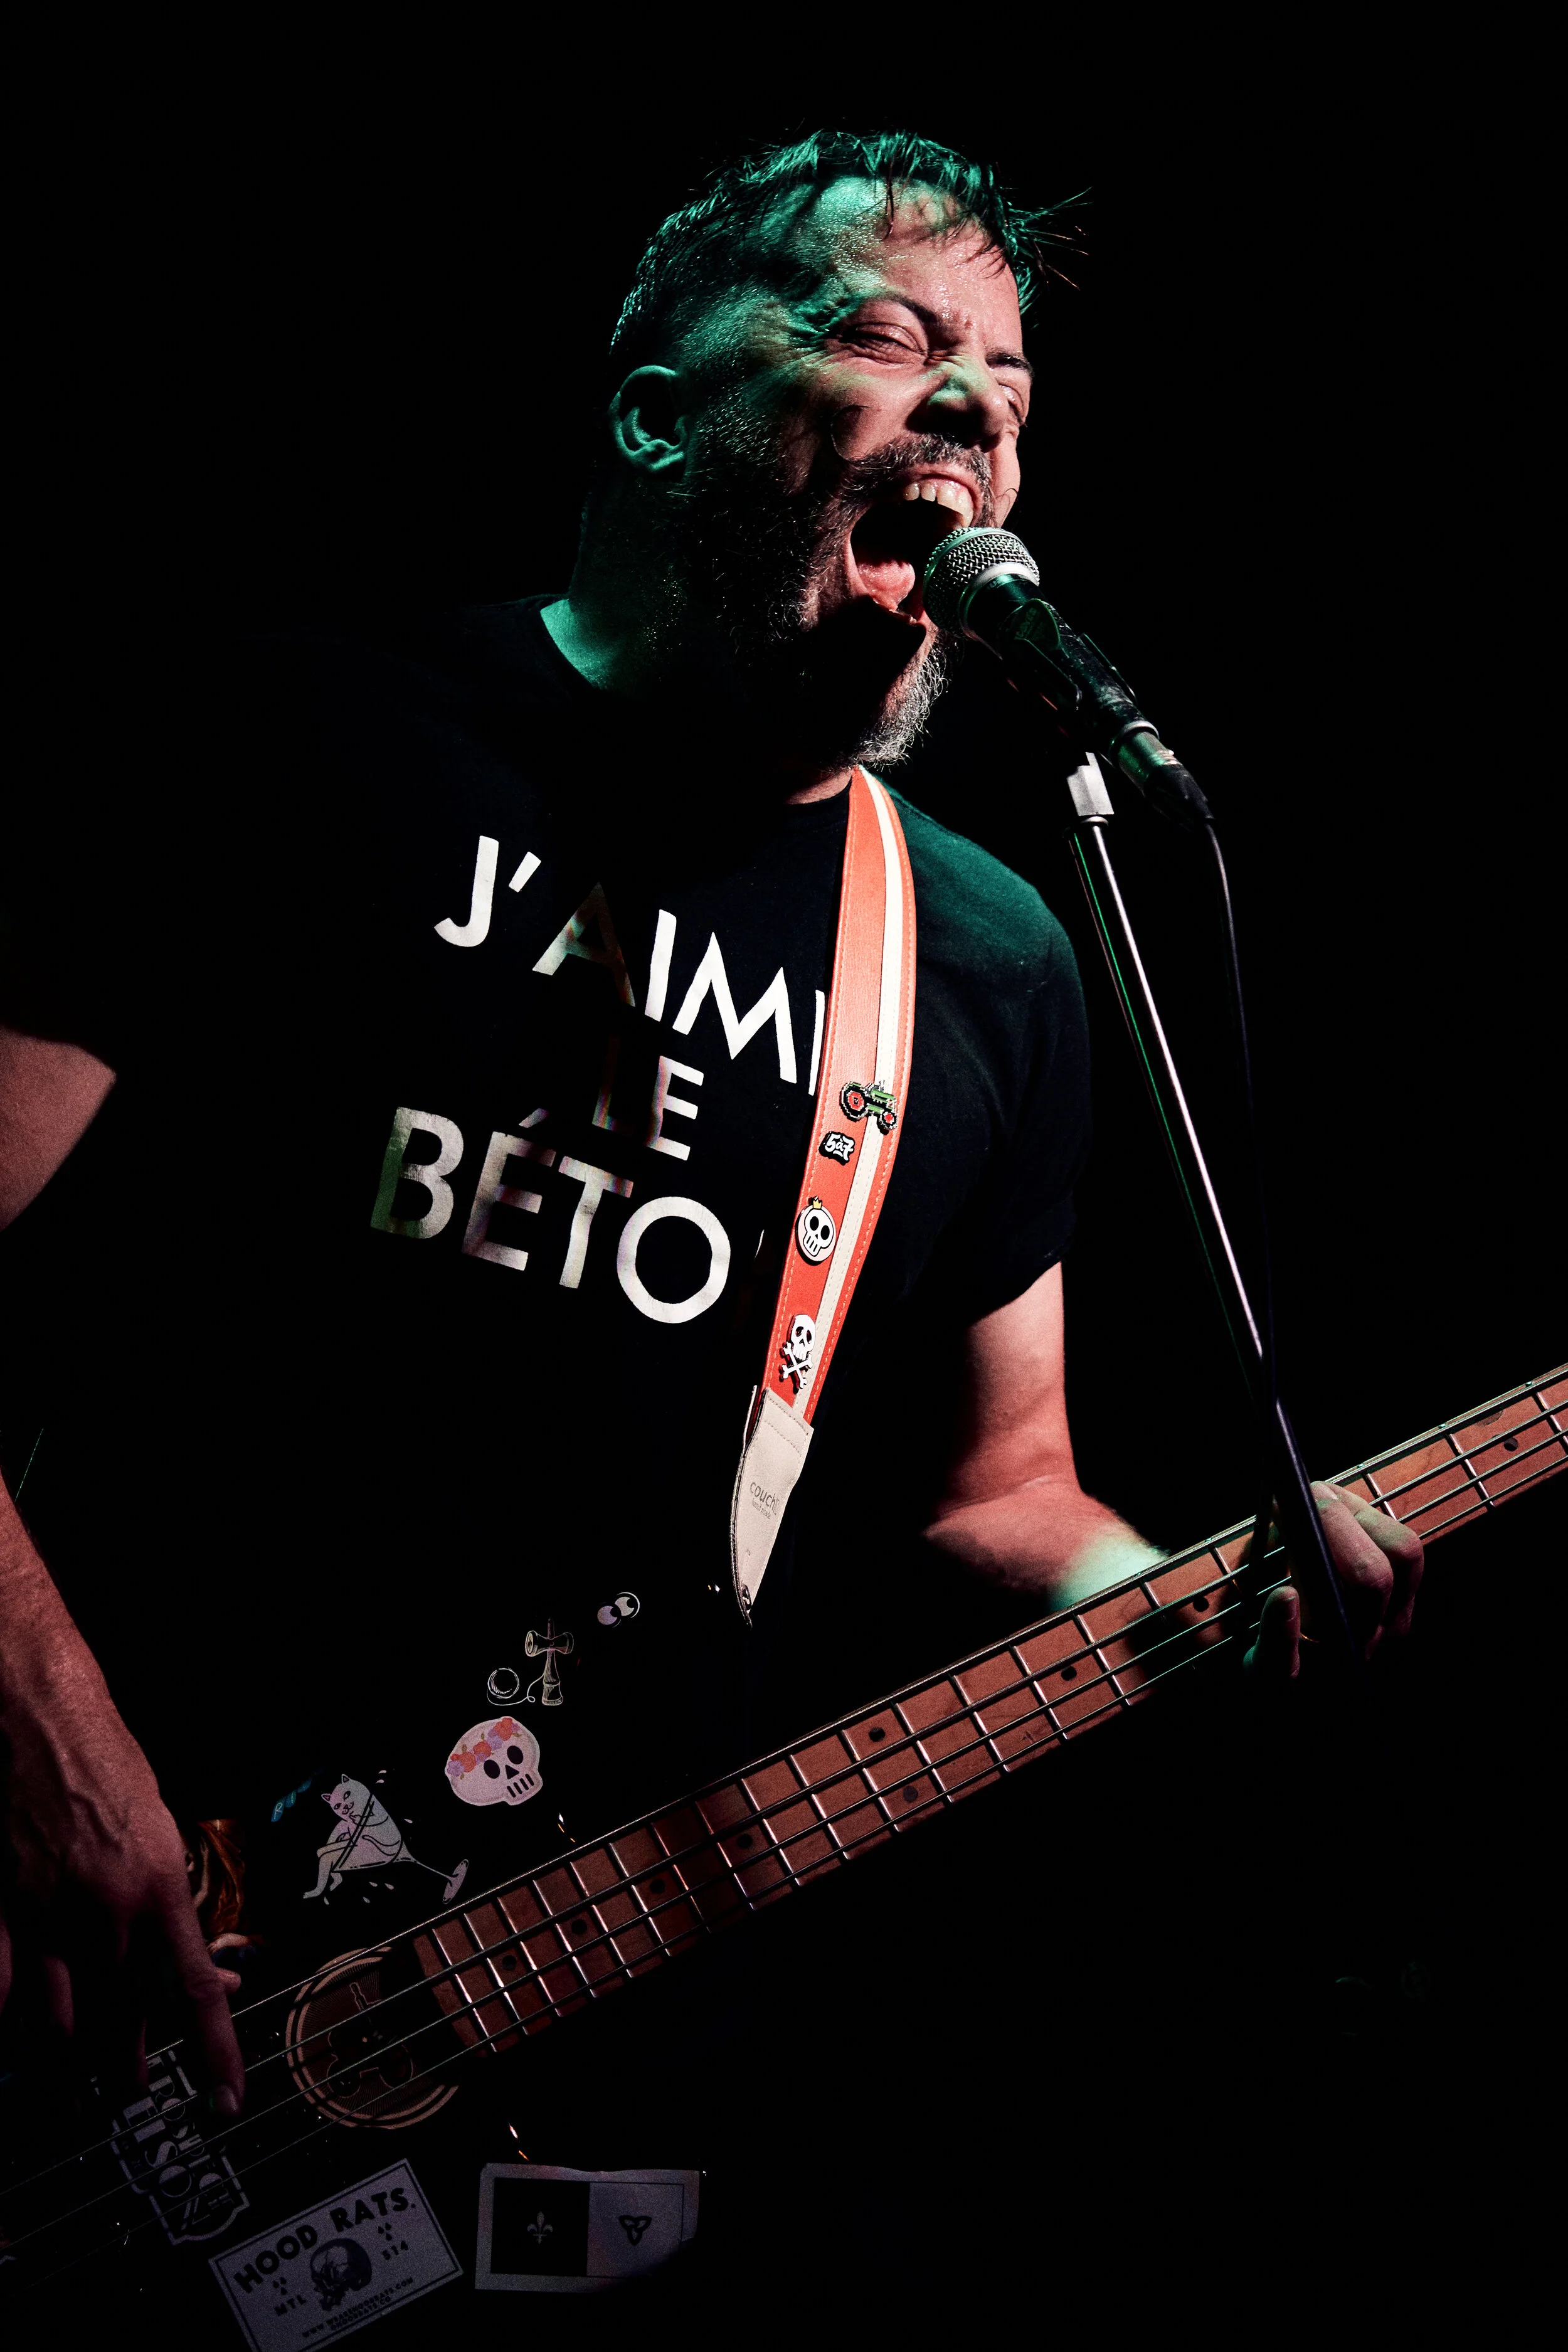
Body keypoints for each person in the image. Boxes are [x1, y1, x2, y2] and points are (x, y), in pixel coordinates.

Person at [0, 130, 1421, 2138]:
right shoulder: (294, 744)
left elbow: (1004, 1483)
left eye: (1008, 388)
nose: (969, 405)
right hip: (119, 1924)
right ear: (659, 413)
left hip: (567, 2010)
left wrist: (1197, 1578)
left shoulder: (980, 959)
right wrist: (42, 1744)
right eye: (884, 335)